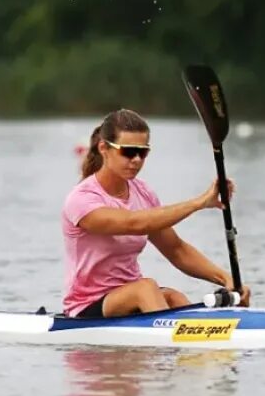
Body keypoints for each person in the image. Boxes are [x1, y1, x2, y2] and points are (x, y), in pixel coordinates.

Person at [62, 108, 252, 318]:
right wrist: (199, 202)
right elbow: (133, 224)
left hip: (131, 297)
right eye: (127, 151)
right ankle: (177, 338)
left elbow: (176, 250)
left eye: (142, 152)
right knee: (145, 288)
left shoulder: (143, 193)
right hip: (87, 307)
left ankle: (206, 339)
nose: (136, 159)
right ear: (104, 148)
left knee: (173, 297)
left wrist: (226, 279)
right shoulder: (82, 199)